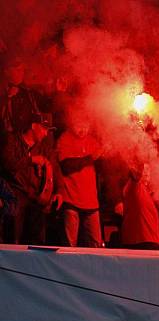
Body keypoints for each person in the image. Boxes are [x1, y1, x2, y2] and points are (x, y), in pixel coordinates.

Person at [0, 112, 61, 245]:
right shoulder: (12, 140)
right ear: (34, 126)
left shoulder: (45, 148)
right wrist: (31, 160)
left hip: (36, 201)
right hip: (15, 198)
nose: (46, 133)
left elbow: (55, 170)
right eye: (44, 129)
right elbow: (7, 164)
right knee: (14, 241)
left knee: (36, 243)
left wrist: (58, 191)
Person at [56, 118, 103, 247]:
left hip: (91, 202)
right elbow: (66, 166)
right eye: (79, 124)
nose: (83, 129)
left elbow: (102, 163)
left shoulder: (92, 141)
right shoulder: (65, 139)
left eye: (85, 125)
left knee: (96, 245)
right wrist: (90, 158)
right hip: (71, 200)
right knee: (69, 246)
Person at [118, 163, 159, 250]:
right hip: (140, 242)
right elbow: (135, 176)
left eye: (148, 169)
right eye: (144, 169)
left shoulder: (147, 193)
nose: (147, 172)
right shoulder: (134, 186)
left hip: (150, 241)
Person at [1, 57, 46, 133]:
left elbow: (45, 105)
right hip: (10, 140)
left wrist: (57, 91)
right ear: (7, 71)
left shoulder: (26, 91)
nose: (22, 72)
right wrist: (7, 97)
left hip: (27, 138)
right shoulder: (3, 91)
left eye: (22, 70)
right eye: (18, 70)